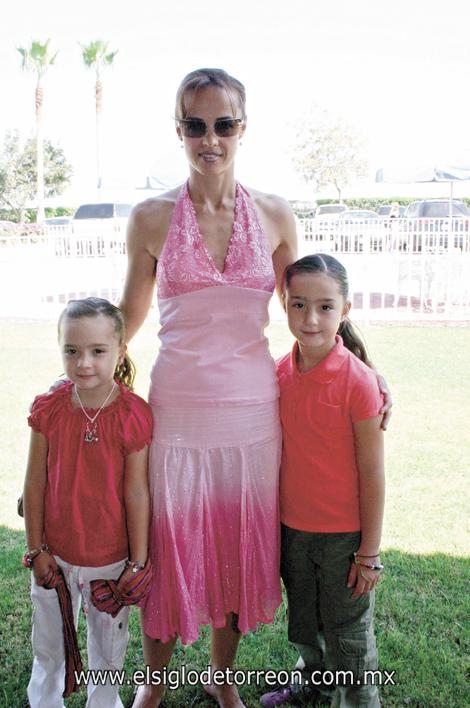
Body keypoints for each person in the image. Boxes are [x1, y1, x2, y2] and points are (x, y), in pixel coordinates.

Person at [120, 68, 391, 708]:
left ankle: (221, 678)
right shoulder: (151, 217)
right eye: (195, 124)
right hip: (179, 414)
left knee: (237, 551)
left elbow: (306, 311)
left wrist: (366, 366)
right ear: (179, 128)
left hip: (253, 420)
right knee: (169, 544)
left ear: (243, 128)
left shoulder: (274, 214)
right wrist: (84, 371)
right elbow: (128, 317)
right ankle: (154, 683)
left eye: (223, 124)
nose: (209, 138)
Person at [261, 254, 385, 708]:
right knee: (306, 623)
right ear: (285, 305)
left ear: (345, 310)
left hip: (343, 539)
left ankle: (359, 700)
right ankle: (311, 686)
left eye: (325, 307)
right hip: (292, 530)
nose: (310, 319)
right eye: (298, 305)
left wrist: (368, 554)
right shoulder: (277, 373)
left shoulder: (358, 382)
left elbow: (373, 473)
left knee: (347, 636)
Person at [22, 297, 152, 708]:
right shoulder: (49, 409)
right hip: (55, 554)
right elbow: (36, 482)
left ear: (120, 351)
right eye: (72, 351)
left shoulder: (133, 414)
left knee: (108, 655)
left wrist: (137, 562)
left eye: (98, 352)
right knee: (49, 645)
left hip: (111, 560)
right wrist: (37, 549)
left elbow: (136, 491)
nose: (84, 363)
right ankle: (45, 701)